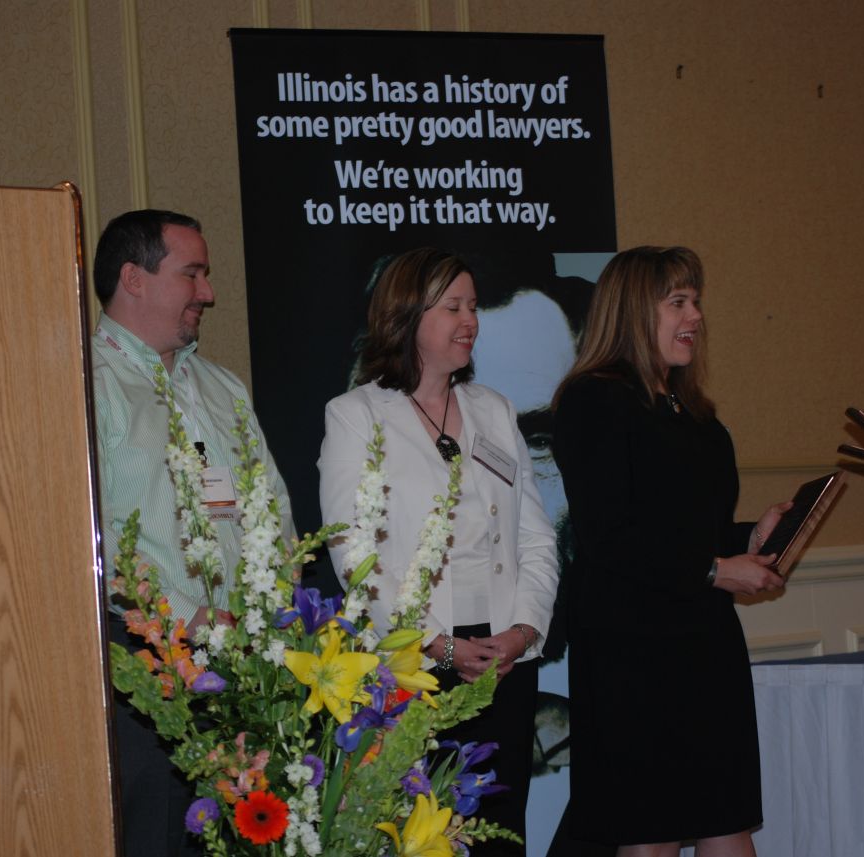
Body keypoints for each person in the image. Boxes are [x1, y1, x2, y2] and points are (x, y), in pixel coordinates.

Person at [318, 247, 559, 857]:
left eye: (473, 306)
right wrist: (431, 642)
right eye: (452, 306)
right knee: (423, 840)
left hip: (504, 663)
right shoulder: (357, 416)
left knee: (501, 838)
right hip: (415, 671)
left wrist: (524, 630)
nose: (470, 320)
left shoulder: (494, 411)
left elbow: (535, 535)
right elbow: (356, 555)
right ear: (405, 316)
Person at [551, 246, 789, 857]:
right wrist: (714, 568)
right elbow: (609, 534)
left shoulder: (696, 414)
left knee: (724, 821)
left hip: (704, 645)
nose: (696, 316)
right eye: (678, 302)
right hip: (634, 654)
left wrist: (747, 540)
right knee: (651, 837)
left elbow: (686, 526)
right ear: (635, 310)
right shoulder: (593, 399)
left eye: (697, 302)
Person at [92, 209, 295, 856]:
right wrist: (186, 621)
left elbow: (273, 514)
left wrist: (269, 619)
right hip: (144, 675)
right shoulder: (85, 387)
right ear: (135, 278)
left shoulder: (222, 387)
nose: (207, 292)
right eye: (192, 273)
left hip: (242, 672)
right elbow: (80, 544)